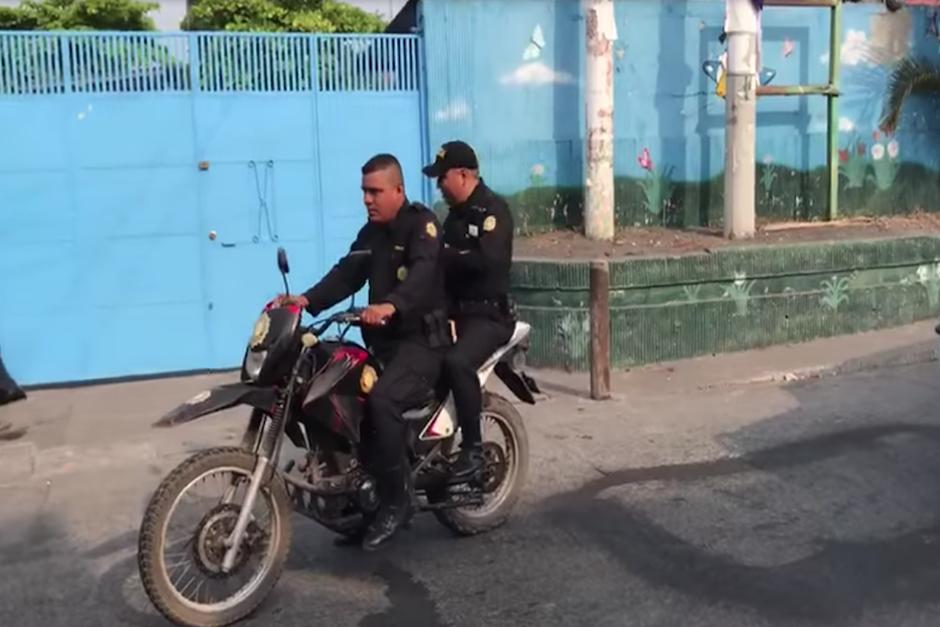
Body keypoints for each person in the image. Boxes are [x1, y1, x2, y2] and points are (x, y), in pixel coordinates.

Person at [282, 153, 450, 551]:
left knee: (381, 403)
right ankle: (360, 499)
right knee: (338, 393)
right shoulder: (371, 234)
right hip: (385, 345)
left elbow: (424, 273)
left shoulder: (421, 224)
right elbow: (346, 273)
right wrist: (304, 300)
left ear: (398, 190)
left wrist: (393, 305)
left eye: (375, 191)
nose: (367, 199)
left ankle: (398, 500)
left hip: (422, 344)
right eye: (364, 191)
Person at [421, 141, 515, 483]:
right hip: (457, 313)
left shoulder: (493, 212)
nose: (439, 186)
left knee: (458, 362)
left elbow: (489, 264)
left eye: (442, 178)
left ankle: (473, 449)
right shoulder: (455, 217)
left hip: (490, 317)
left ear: (462, 175)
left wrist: (447, 256)